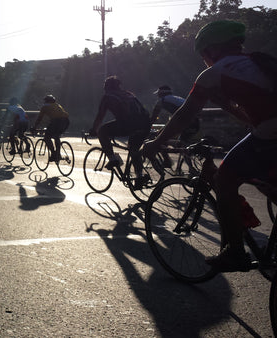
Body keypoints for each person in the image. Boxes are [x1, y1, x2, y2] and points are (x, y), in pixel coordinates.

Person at [142, 20, 277, 272]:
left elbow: (184, 115)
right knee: (265, 178)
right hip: (268, 131)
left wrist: (156, 143)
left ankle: (235, 252)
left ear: (210, 51)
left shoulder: (214, 73)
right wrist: (227, 105)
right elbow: (254, 118)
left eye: (203, 55)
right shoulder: (259, 62)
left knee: (224, 178)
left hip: (270, 131)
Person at [90, 76, 150, 188]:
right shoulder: (128, 94)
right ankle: (139, 176)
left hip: (128, 124)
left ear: (106, 87)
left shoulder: (108, 96)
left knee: (102, 131)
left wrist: (94, 130)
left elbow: (100, 116)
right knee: (134, 149)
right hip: (145, 123)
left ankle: (113, 159)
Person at [150, 85, 201, 168]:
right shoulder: (177, 98)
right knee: (182, 144)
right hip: (195, 123)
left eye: (158, 94)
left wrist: (146, 126)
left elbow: (153, 118)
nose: (157, 96)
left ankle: (168, 162)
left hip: (185, 123)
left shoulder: (161, 100)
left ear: (161, 94)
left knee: (159, 139)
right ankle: (190, 168)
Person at [32, 95, 70, 162]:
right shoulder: (57, 105)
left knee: (47, 138)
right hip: (66, 121)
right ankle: (58, 154)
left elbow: (39, 118)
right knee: (56, 136)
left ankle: (54, 154)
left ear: (46, 101)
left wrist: (34, 127)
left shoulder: (45, 107)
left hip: (56, 121)